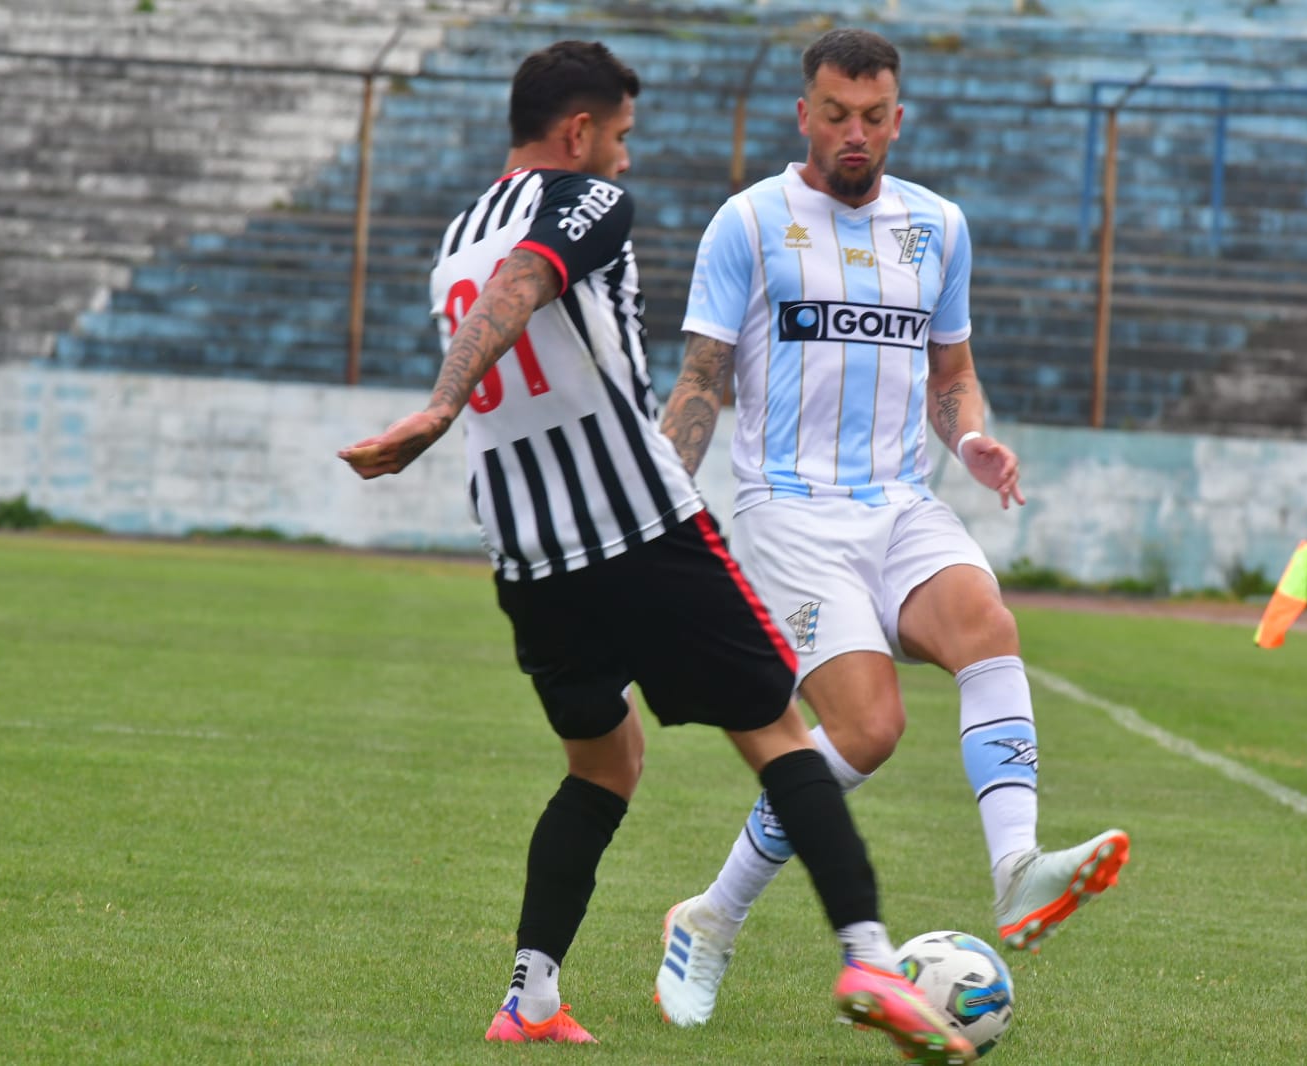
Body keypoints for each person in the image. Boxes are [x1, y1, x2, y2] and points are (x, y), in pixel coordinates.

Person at [336, 40, 974, 1063]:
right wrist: (438, 407)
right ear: (579, 132)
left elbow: (501, 288)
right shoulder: (587, 204)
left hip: (526, 553)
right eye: (622, 138)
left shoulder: (453, 234)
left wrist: (446, 411)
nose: (628, 161)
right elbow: (529, 279)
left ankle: (532, 994)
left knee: (606, 758)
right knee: (780, 733)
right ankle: (868, 956)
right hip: (635, 527)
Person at [652, 27, 1128, 1028]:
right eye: (837, 115)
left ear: (897, 117)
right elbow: (702, 377)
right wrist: (659, 511)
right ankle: (712, 912)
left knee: (988, 627)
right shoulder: (747, 223)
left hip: (901, 501)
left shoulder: (939, 227)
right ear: (804, 115)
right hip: (789, 512)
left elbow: (951, 374)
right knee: (869, 730)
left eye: (874, 117)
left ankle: (1017, 870)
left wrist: (975, 441)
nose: (856, 133)